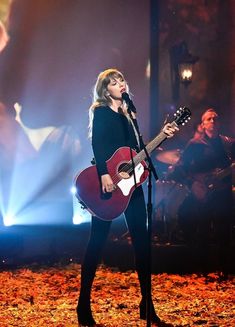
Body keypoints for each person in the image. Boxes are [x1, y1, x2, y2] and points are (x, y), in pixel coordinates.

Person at [76, 68, 178, 327]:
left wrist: (162, 135)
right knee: (96, 243)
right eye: (112, 82)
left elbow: (136, 152)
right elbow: (98, 145)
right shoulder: (101, 112)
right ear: (105, 90)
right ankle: (83, 306)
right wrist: (103, 175)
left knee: (142, 243)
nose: (119, 84)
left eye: (120, 80)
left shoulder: (130, 114)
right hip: (107, 184)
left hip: (131, 185)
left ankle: (147, 306)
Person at [173, 108, 235, 279]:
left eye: (215, 118)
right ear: (203, 124)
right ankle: (203, 270)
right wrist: (193, 184)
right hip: (203, 193)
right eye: (209, 119)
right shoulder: (195, 145)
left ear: (220, 123)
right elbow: (181, 168)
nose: (213, 121)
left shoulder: (228, 143)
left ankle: (225, 270)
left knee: (224, 232)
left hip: (223, 193)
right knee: (203, 232)